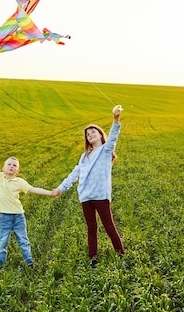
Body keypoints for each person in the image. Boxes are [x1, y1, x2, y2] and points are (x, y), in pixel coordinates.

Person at [53, 105, 127, 268]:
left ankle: (122, 257)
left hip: (100, 195)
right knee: (91, 228)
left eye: (93, 131)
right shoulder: (84, 156)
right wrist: (60, 188)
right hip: (85, 196)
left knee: (109, 227)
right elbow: (74, 174)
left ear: (101, 135)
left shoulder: (106, 150)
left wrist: (115, 119)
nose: (90, 134)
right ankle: (93, 260)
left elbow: (114, 136)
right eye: (88, 134)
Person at [0, 148, 55, 269]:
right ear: (3, 168)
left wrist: (50, 193)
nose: (11, 166)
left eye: (14, 165)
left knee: (23, 239)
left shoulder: (20, 182)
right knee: (3, 240)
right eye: (9, 164)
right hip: (4, 216)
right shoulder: (0, 177)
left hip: (18, 216)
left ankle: (29, 261)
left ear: (17, 170)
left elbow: (33, 189)